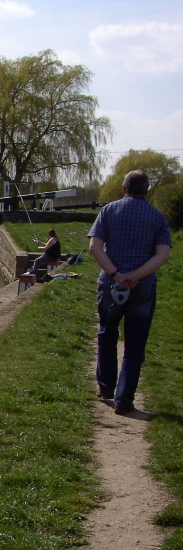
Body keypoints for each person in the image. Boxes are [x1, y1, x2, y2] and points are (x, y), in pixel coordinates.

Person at [88, 169, 172, 415]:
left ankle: (105, 388)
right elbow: (163, 254)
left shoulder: (108, 211)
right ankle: (124, 401)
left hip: (110, 285)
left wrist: (116, 274)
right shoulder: (157, 217)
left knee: (107, 334)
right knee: (135, 345)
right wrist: (135, 276)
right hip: (142, 288)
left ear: (123, 189)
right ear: (146, 191)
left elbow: (95, 247)